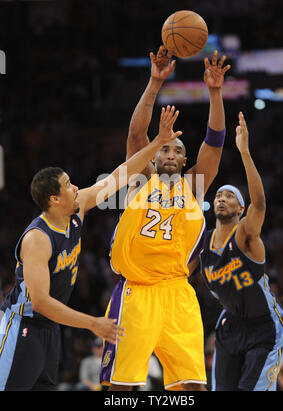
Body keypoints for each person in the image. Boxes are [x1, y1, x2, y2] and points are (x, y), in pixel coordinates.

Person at [0, 105, 182, 391]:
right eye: (68, 185)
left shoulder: (78, 207)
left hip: (49, 328)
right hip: (23, 326)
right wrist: (92, 323)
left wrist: (158, 142)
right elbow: (41, 302)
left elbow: (120, 175)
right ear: (54, 199)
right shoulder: (38, 238)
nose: (75, 188)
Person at [100, 46, 231, 391]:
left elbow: (214, 142)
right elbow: (135, 136)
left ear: (186, 161)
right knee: (121, 387)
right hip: (137, 292)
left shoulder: (194, 184)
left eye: (177, 150)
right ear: (153, 155)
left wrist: (215, 93)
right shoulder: (141, 177)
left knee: (193, 386)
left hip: (177, 293)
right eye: (164, 148)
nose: (170, 153)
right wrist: (155, 82)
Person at [200, 112, 283, 391]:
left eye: (230, 196)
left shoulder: (245, 236)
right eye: (218, 195)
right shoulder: (201, 245)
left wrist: (245, 153)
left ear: (240, 209)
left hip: (265, 327)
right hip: (230, 326)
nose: (222, 198)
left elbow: (260, 203)